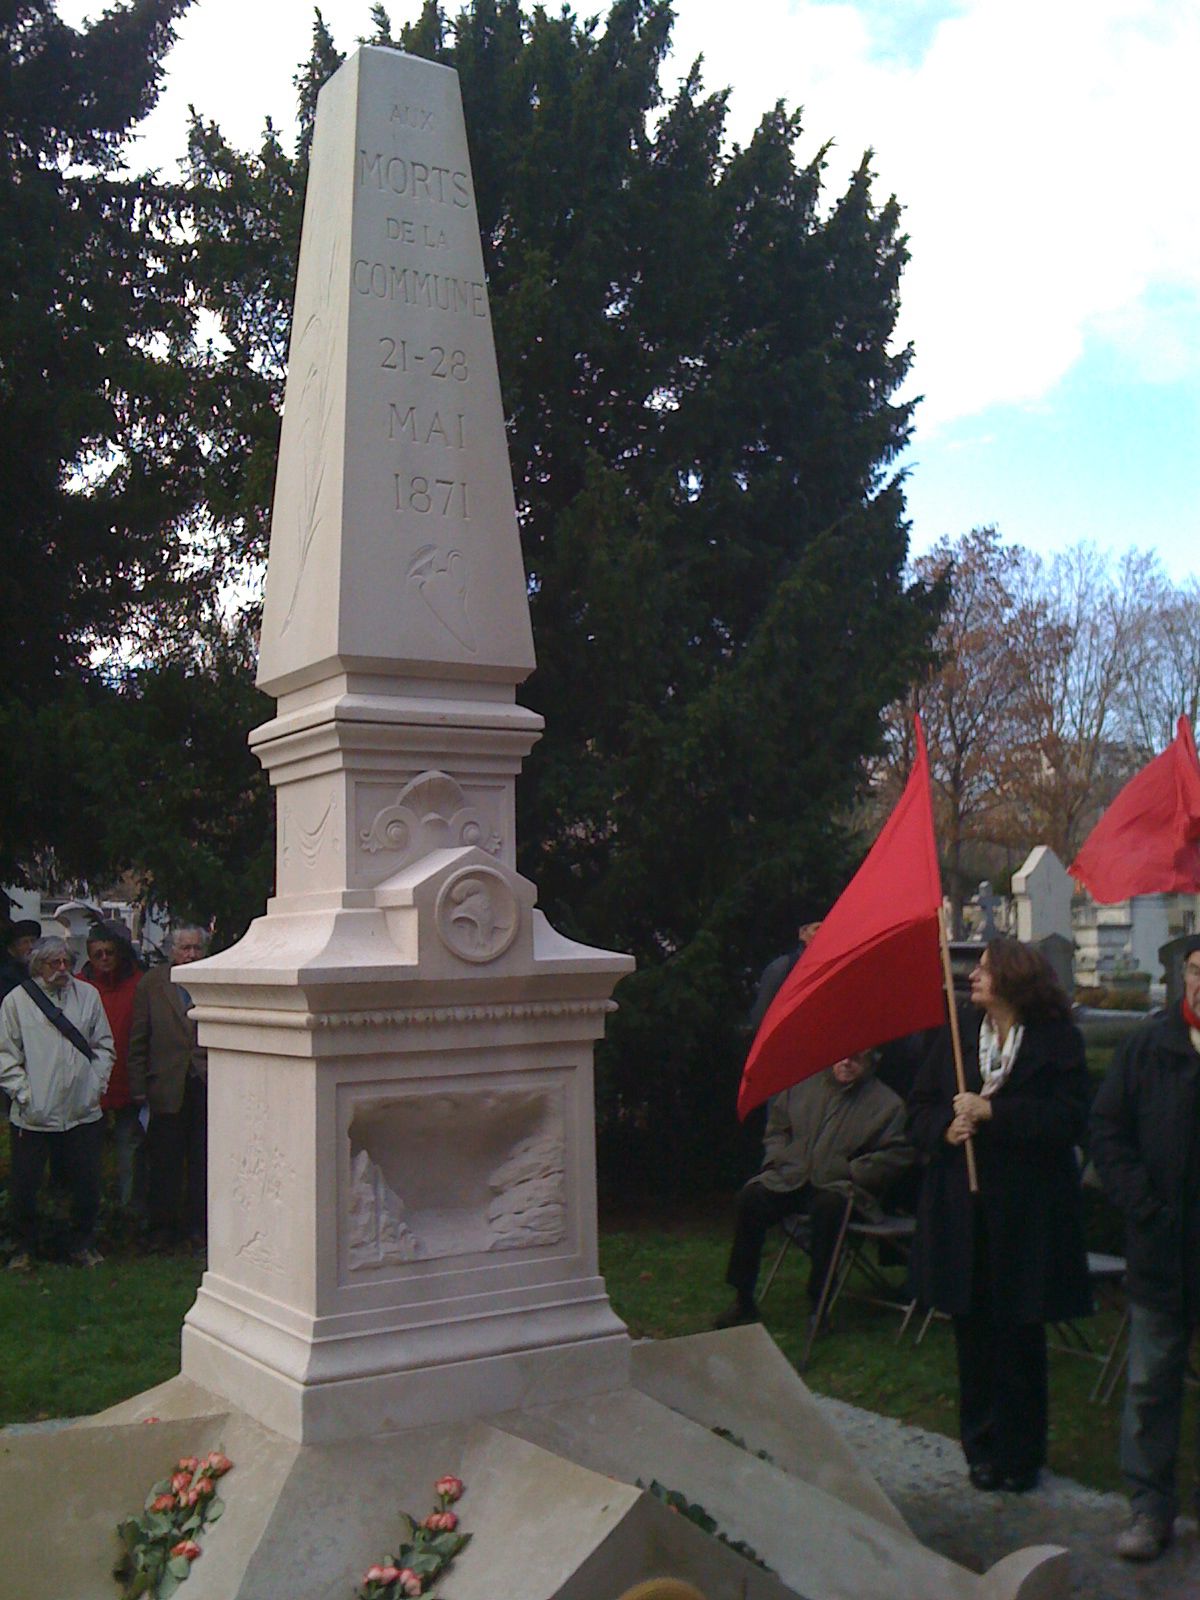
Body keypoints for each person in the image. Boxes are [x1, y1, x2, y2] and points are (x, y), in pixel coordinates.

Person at [907, 937, 1090, 1494]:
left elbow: (1067, 1119)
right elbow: (918, 1107)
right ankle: (981, 1448)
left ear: (1014, 978)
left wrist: (994, 1113)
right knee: (974, 1332)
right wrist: (945, 1127)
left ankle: (1021, 1454)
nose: (974, 977)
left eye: (985, 969)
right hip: (966, 1213)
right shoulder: (959, 1036)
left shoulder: (1057, 1042)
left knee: (1019, 1334)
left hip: (1028, 1217)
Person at [1089, 934, 1200, 1562]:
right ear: (1181, 976)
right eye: (1195, 970)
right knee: (1151, 1385)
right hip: (1162, 1250)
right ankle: (1149, 1509)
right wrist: (1144, 1207)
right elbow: (1107, 1130)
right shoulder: (1147, 1048)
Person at [715, 1050, 913, 1327]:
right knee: (750, 1199)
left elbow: (896, 1154)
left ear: (871, 1062)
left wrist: (852, 1171)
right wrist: (777, 1159)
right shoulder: (800, 1085)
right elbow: (776, 1129)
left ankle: (819, 1304)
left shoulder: (887, 1105)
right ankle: (742, 1297)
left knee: (829, 1208)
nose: (846, 1062)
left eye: (856, 1058)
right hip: (790, 1178)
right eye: (841, 1055)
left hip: (843, 1188)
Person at [0, 935, 115, 1269]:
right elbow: (5, 1056)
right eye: (54, 963)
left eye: (67, 961)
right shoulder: (16, 1002)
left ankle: (80, 1245)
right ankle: (23, 1249)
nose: (63, 969)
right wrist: (25, 1095)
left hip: (82, 1112)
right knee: (25, 1188)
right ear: (38, 965)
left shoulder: (88, 996)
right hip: (34, 1116)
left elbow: (103, 1045)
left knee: (85, 1186)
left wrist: (95, 1086)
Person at [128, 925, 209, 1252]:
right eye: (185, 948)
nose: (191, 955)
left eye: (196, 949)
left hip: (204, 1081)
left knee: (202, 1160)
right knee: (165, 1162)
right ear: (172, 951)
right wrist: (138, 1086)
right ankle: (163, 1229)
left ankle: (198, 1228)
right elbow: (138, 1038)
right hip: (165, 1085)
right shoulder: (152, 985)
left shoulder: (213, 980)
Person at [80, 921, 145, 1214]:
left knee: (128, 1148)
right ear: (90, 957)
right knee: (88, 1153)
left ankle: (128, 1207)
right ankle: (93, 1209)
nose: (104, 959)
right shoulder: (78, 986)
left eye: (109, 952)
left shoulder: (138, 984)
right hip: (90, 1083)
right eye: (98, 954)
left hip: (127, 1081)